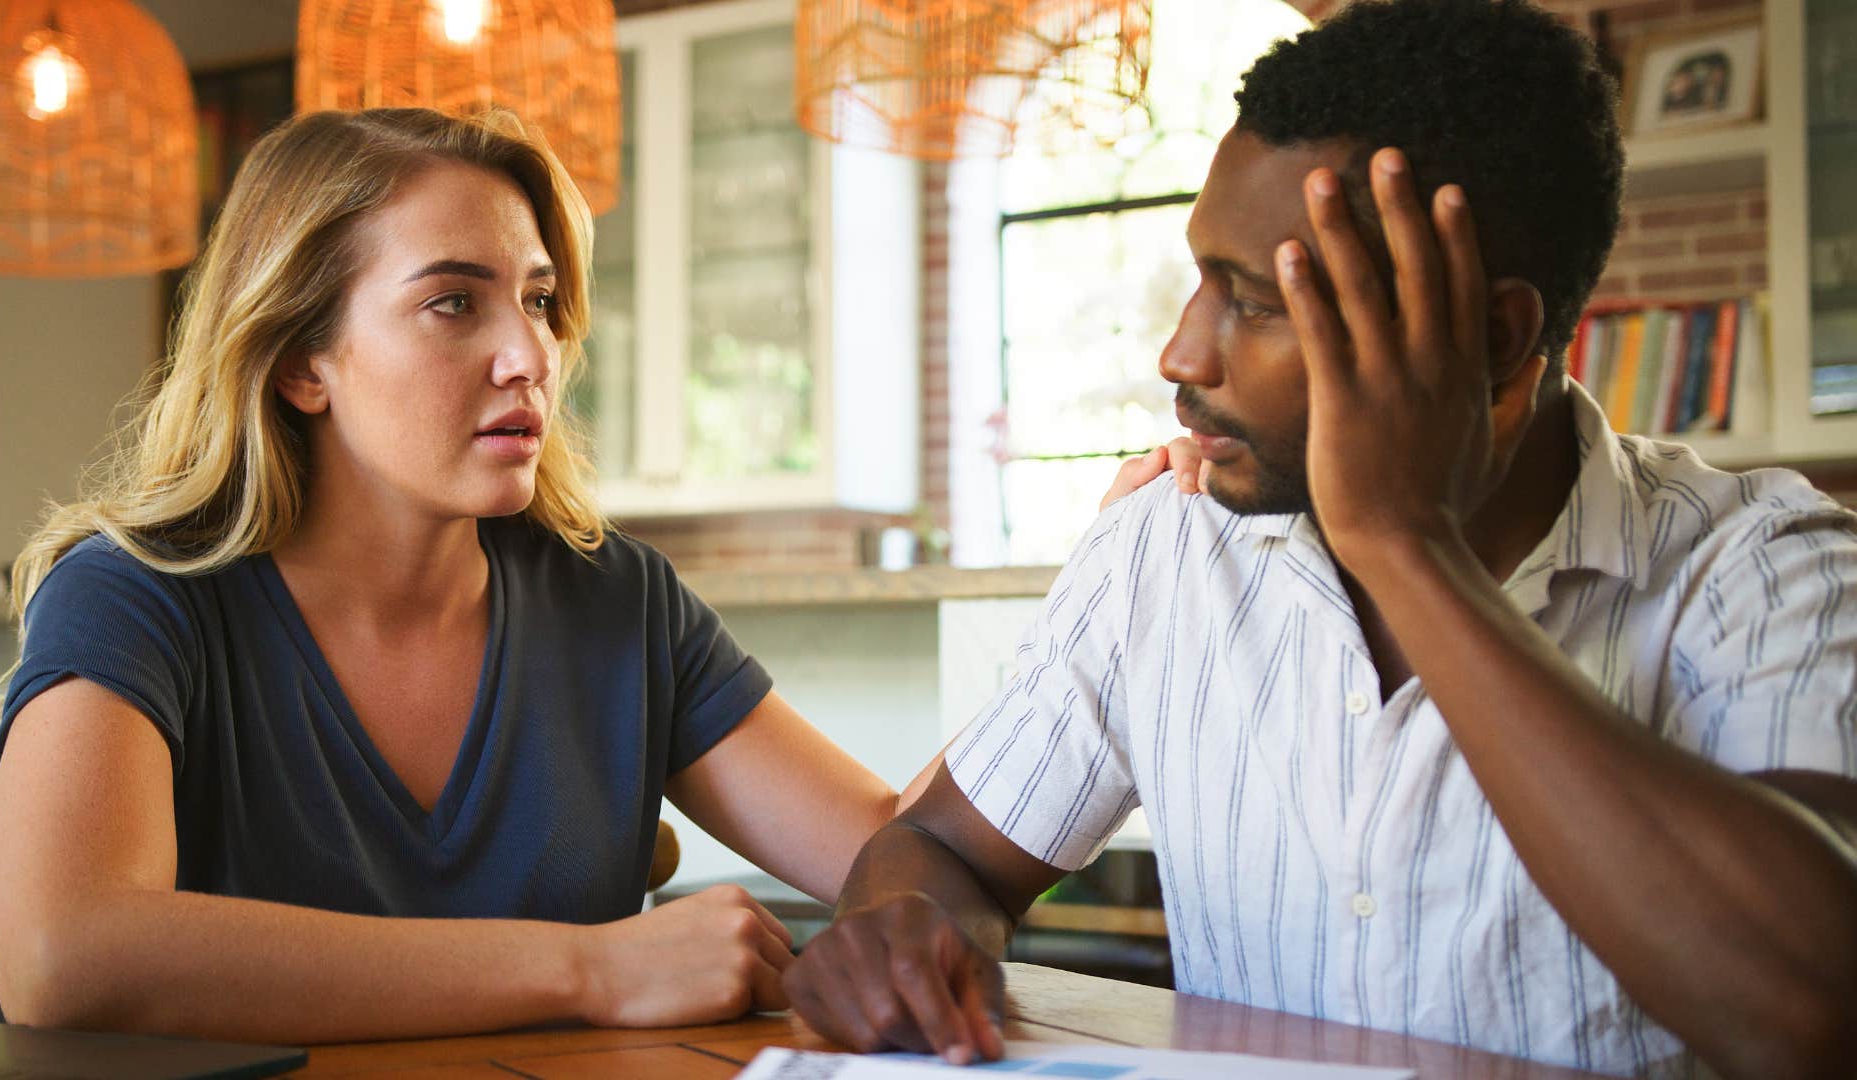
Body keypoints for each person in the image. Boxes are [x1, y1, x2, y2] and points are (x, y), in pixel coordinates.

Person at [784, 3, 1857, 1077]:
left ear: (1492, 337)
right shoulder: (1164, 553)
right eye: (1202, 279)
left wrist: (1405, 543)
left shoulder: (1764, 567)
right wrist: (902, 927)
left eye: (1256, 302)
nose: (1181, 352)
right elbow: (938, 848)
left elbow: (1810, 1013)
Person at [0, 106, 947, 1045]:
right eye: (451, 303)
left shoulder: (618, 604)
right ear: (306, 361)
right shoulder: (137, 595)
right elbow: (63, 956)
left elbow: (905, 855)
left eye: (540, 301)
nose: (531, 355)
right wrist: (590, 970)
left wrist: (1095, 601)